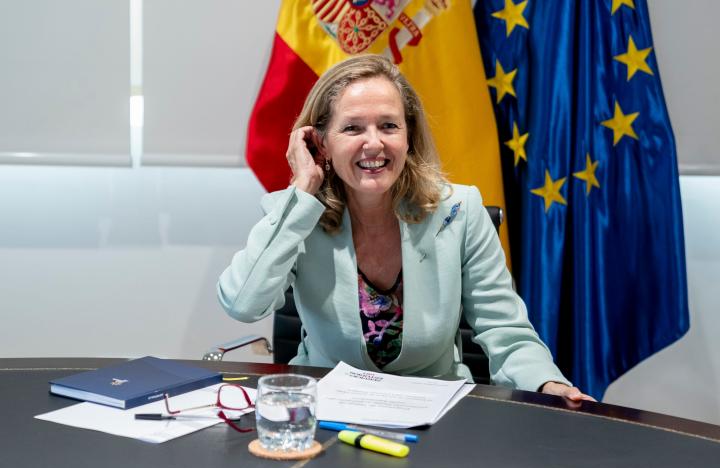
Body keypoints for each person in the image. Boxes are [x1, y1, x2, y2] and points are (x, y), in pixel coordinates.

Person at [218, 54, 593, 402]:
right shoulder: (297, 216)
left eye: (388, 126)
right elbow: (242, 303)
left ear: (408, 135)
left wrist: (548, 384)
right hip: (326, 409)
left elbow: (505, 330)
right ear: (321, 142)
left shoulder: (459, 211)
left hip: (437, 414)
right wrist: (302, 190)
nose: (374, 143)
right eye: (352, 128)